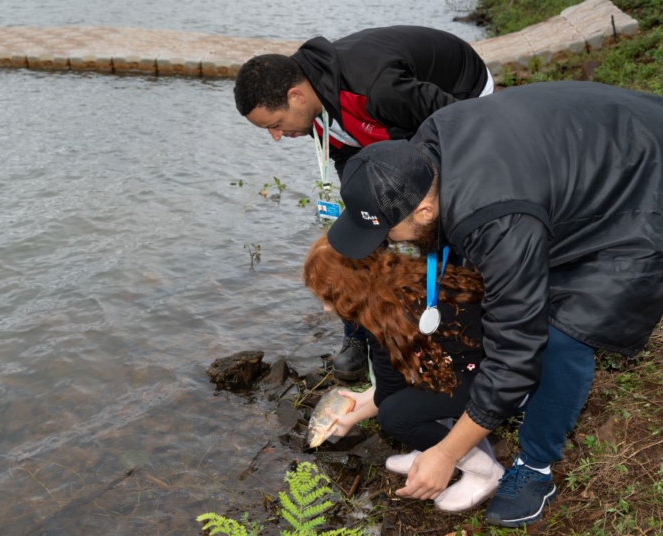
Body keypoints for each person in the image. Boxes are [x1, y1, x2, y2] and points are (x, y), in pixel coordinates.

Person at [325, 80, 663, 527]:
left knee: (565, 332)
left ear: (424, 210)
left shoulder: (500, 219)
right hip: (596, 140)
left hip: (641, 182)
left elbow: (516, 349)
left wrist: (448, 452)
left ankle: (536, 469)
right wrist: (375, 398)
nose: (386, 241)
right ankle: (505, 403)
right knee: (502, 295)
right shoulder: (426, 150)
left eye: (387, 229)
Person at [234, 25, 493, 381]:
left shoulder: (375, 89)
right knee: (363, 226)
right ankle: (361, 335)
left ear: (296, 96)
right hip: (388, 125)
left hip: (462, 100)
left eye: (275, 125)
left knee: (436, 217)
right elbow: (348, 159)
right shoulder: (315, 102)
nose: (277, 137)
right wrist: (364, 209)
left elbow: (462, 123)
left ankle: (462, 317)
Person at [303, 235, 504, 512]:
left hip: (496, 379)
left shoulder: (381, 315)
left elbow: (389, 391)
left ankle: (482, 470)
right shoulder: (401, 277)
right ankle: (431, 446)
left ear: (349, 290)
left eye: (328, 298)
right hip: (483, 355)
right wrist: (366, 397)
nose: (326, 308)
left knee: (395, 416)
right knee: (403, 396)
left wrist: (349, 418)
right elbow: (393, 377)